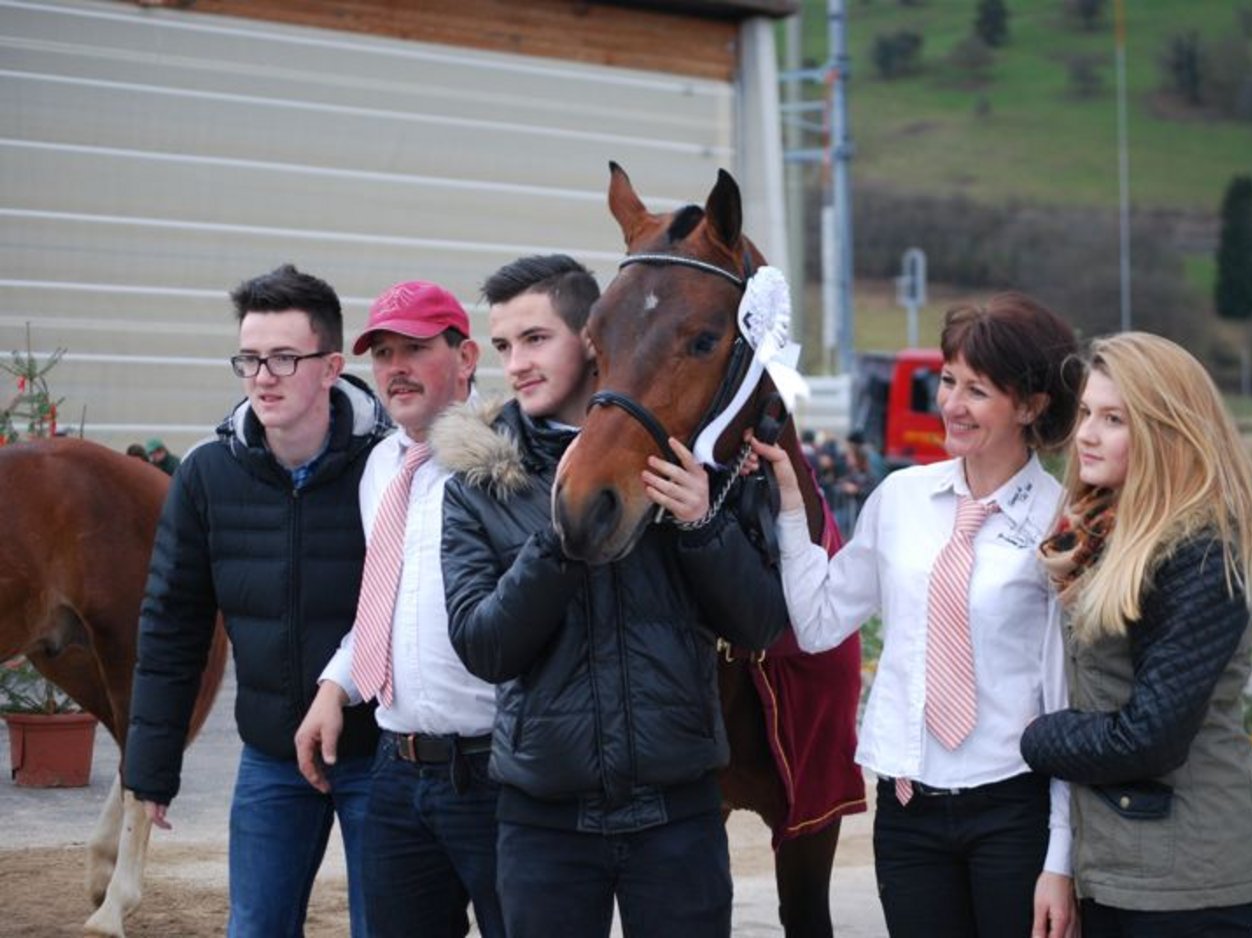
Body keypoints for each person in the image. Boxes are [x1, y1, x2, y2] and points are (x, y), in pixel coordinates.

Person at [435, 254, 789, 937]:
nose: (516, 364)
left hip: (678, 818)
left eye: (536, 339)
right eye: (505, 346)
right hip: (544, 827)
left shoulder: (693, 463)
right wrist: (561, 539)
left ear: (596, 340)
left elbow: (760, 627)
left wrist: (700, 525)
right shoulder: (478, 488)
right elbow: (485, 646)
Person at [750, 292, 1082, 938]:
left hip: (1016, 809)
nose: (951, 405)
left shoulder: (1060, 521)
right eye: (949, 380)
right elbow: (818, 622)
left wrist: (1061, 860)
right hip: (908, 816)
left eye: (978, 390)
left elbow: (1068, 701)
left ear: (1032, 405)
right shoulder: (900, 499)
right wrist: (793, 508)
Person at [125, 263, 391, 937]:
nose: (262, 376)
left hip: (380, 756)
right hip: (272, 756)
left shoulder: (389, 466)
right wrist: (151, 769)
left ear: (331, 367)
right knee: (254, 928)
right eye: (249, 358)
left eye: (283, 357)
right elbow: (172, 625)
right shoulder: (208, 476)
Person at [1021, 331, 1252, 937]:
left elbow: (1151, 738)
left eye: (1113, 419)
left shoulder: (1200, 551)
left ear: (1166, 431)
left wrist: (1037, 736)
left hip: (1186, 882)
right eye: (1085, 413)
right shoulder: (1105, 533)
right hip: (1124, 865)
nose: (1085, 434)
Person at [294, 280, 504, 937]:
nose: (394, 368)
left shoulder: (509, 463)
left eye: (414, 347)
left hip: (499, 772)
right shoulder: (382, 466)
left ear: (466, 357)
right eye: (382, 353)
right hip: (397, 771)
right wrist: (335, 685)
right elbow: (388, 602)